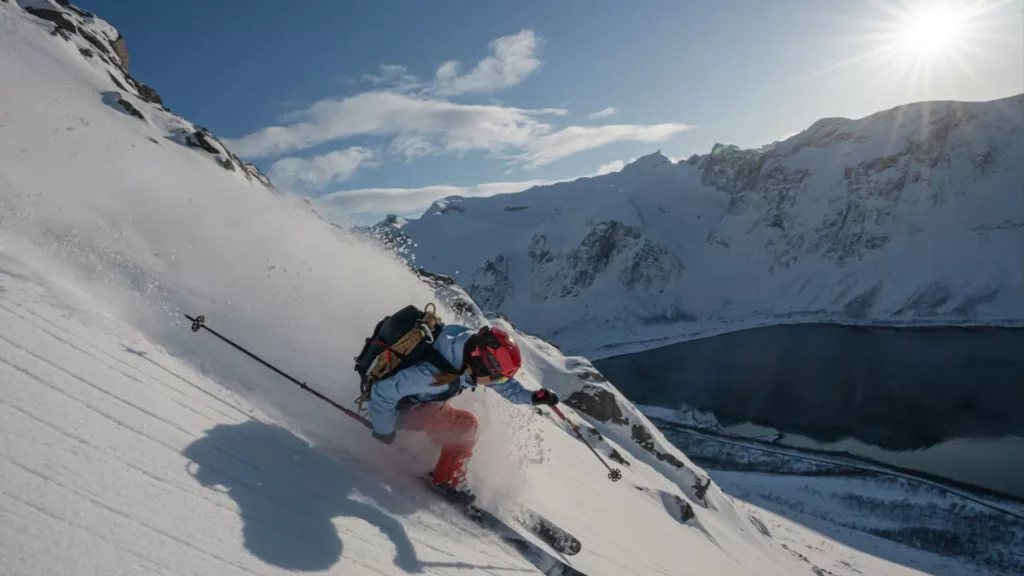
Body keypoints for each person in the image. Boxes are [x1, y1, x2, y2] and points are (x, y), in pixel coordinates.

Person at [367, 323, 559, 503]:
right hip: (405, 411)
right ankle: (447, 481)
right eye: (498, 379)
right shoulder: (434, 375)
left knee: (461, 424)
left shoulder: (465, 347)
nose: (498, 383)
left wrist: (533, 397)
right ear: (481, 366)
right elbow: (383, 392)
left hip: (422, 402)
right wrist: (384, 430)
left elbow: (508, 388)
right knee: (465, 427)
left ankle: (442, 466)